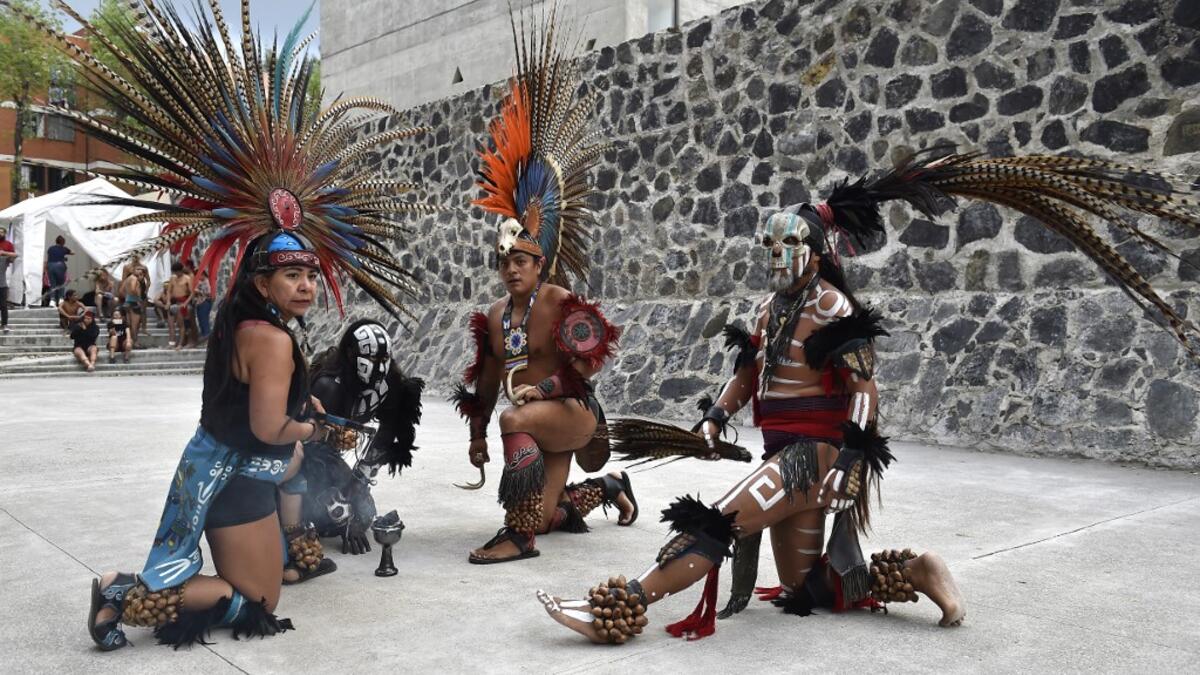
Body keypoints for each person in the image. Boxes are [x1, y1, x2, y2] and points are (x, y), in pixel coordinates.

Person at [538, 150, 1200, 645]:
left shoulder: (832, 305)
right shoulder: (773, 307)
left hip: (814, 456)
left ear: (814, 248)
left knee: (718, 519)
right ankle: (914, 569)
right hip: (778, 447)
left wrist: (852, 462)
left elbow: (863, 390)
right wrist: (716, 414)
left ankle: (624, 604)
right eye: (768, 245)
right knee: (810, 589)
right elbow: (751, 369)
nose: (775, 254)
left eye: (787, 244)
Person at [31, 0, 437, 651]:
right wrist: (316, 427)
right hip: (237, 473)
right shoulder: (270, 336)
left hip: (225, 467)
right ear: (260, 279)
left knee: (264, 590)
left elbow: (263, 406)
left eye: (312, 272)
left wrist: (303, 415)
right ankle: (118, 590)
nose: (307, 283)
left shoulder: (246, 321)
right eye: (293, 274)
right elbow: (269, 427)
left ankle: (130, 588)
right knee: (255, 601)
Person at [454, 11, 633, 565]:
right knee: (546, 509)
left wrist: (541, 391)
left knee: (518, 419)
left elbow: (588, 366)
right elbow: (487, 380)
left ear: (541, 262)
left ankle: (517, 538)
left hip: (571, 414)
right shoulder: (493, 314)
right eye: (504, 260)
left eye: (522, 260)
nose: (512, 268)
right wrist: (478, 432)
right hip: (531, 424)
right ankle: (604, 491)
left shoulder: (560, 303)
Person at [278, 319, 424, 583]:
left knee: (365, 512)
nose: (379, 365)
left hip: (328, 453)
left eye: (384, 358)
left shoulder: (389, 385)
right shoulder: (328, 386)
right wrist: (342, 512)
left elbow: (387, 435)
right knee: (332, 517)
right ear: (350, 355)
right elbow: (313, 452)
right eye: (370, 357)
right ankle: (291, 520)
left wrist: (358, 485)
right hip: (303, 454)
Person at [165, 261, 193, 349]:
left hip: (182, 302)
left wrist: (185, 303)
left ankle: (180, 344)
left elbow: (192, 293)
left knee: (181, 325)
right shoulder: (173, 278)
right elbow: (169, 291)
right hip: (173, 302)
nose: (176, 274)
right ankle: (171, 343)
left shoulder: (187, 278)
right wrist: (168, 301)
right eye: (175, 272)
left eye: (177, 272)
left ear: (181, 270)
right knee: (170, 325)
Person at [117, 269, 143, 346]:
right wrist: (138, 297)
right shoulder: (134, 278)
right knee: (135, 325)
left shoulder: (127, 279)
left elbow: (121, 291)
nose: (141, 275)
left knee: (130, 324)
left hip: (127, 302)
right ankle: (135, 342)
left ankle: (129, 341)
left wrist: (127, 297)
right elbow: (132, 289)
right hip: (134, 303)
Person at [46, 235, 72, 305]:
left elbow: (49, 257)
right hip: (59, 266)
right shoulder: (63, 248)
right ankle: (61, 299)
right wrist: (65, 256)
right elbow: (72, 253)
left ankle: (52, 300)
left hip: (50, 265)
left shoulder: (50, 248)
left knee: (52, 284)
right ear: (63, 242)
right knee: (61, 283)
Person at [0, 226, 16, 333]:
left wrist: (3, 253)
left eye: (2, 232)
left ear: (5, 233)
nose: (0, 233)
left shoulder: (8, 244)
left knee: (3, 305)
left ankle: (4, 324)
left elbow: (14, 256)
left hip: (1, 282)